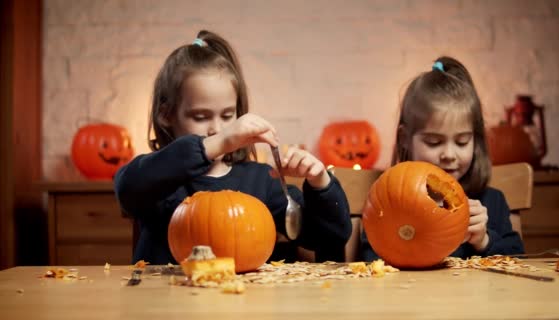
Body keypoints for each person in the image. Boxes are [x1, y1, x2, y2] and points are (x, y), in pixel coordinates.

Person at [114, 30, 352, 265]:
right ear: (166, 115)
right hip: (168, 301)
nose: (217, 128)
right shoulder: (159, 179)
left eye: (228, 116)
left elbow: (330, 237)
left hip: (242, 301)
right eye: (200, 116)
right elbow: (127, 188)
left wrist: (320, 182)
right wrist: (218, 143)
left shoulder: (261, 181)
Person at [361, 56, 524, 261]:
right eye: (434, 142)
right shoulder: (386, 201)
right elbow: (370, 260)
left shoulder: (492, 201)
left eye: (462, 142)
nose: (449, 154)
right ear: (405, 139)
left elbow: (518, 257)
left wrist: (485, 241)